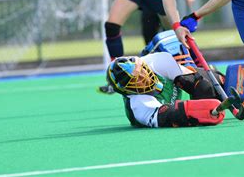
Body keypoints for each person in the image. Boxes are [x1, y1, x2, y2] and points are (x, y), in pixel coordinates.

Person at [97, 52, 226, 128]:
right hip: (160, 113)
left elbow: (195, 83)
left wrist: (210, 89)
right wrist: (202, 110)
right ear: (127, 92)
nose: (144, 78)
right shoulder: (139, 106)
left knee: (206, 86)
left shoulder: (156, 61)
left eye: (142, 70)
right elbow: (171, 115)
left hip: (172, 73)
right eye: (135, 80)